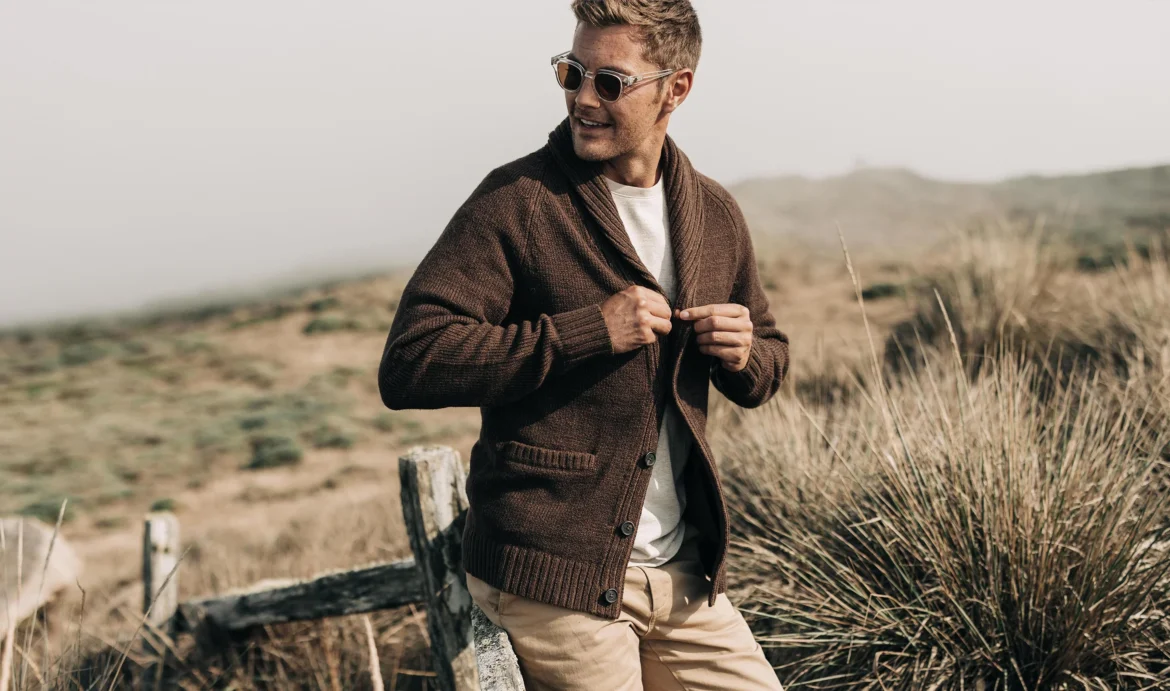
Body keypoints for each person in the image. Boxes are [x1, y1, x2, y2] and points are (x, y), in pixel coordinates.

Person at [378, 1, 789, 688]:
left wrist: (745, 355)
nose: (582, 98)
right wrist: (586, 332)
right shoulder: (518, 201)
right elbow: (411, 360)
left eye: (609, 82)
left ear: (675, 89)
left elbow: (769, 357)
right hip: (553, 579)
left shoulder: (713, 213)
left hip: (683, 576)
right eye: (571, 73)